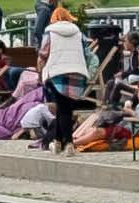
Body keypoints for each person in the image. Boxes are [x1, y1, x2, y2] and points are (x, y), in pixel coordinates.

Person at [38, 6, 92, 154]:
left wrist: (41, 71)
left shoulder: (50, 32)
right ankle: (57, 142)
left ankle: (68, 143)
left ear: (53, 18)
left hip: (57, 72)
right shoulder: (79, 33)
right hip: (77, 72)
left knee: (63, 108)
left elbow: (43, 55)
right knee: (65, 107)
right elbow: (88, 54)